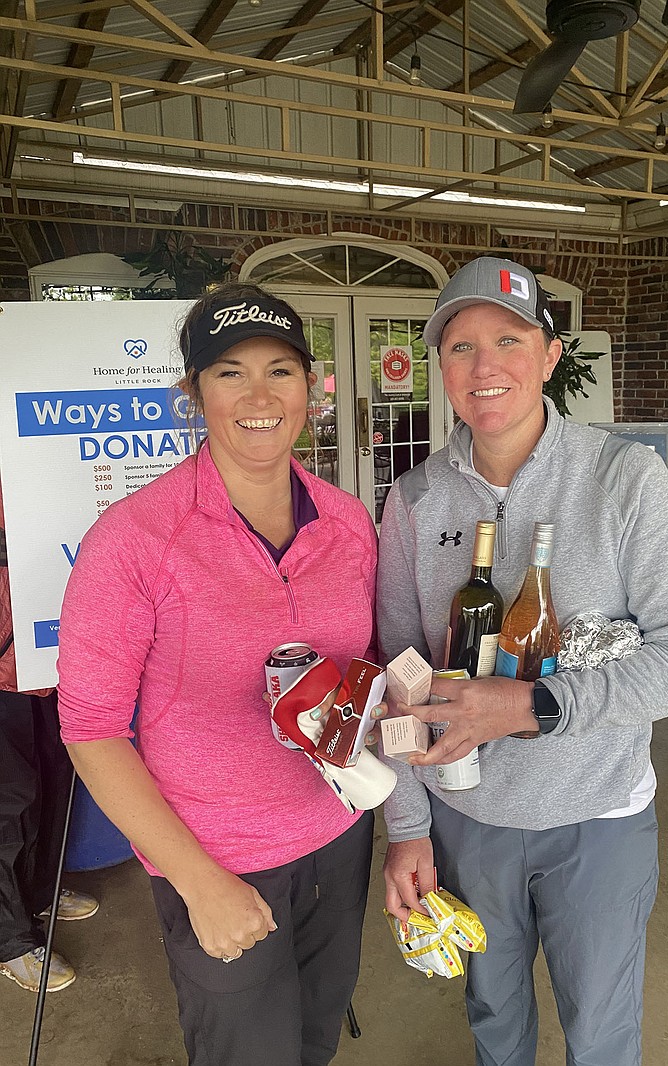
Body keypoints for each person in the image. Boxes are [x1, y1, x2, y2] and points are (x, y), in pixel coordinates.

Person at [377, 256, 668, 1066]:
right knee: (494, 1018)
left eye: (509, 339)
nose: (485, 366)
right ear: (441, 366)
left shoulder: (623, 479)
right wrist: (406, 828)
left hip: (597, 819)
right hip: (466, 824)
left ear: (549, 355)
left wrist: (533, 706)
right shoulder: (415, 499)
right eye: (461, 347)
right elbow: (397, 680)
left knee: (600, 1032)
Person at [56, 283, 379, 1066]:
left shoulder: (349, 523)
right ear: (194, 393)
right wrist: (200, 883)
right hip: (219, 853)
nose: (260, 395)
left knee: (313, 1040)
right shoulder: (135, 539)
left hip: (340, 834)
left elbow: (363, 674)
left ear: (312, 386)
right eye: (230, 372)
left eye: (281, 370)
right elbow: (92, 730)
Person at [0, 481, 98, 994]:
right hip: (4, 650)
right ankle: (10, 939)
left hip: (45, 651)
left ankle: (40, 889)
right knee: (7, 797)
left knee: (57, 773)